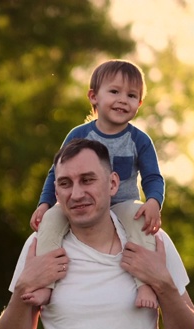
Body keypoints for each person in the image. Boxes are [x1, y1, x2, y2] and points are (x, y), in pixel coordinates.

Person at [0, 139, 194, 329]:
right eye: (65, 183)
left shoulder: (151, 240)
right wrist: (23, 287)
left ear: (112, 184)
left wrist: (163, 283)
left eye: (87, 180)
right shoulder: (40, 246)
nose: (76, 194)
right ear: (56, 192)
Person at [28, 59, 164, 308]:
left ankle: (145, 284)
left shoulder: (139, 140)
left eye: (132, 95)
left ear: (139, 104)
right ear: (93, 97)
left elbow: (153, 177)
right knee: (50, 223)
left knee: (140, 221)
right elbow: (54, 174)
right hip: (80, 204)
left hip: (121, 204)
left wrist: (154, 201)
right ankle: (44, 287)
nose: (123, 99)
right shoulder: (79, 135)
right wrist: (44, 203)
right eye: (114, 92)